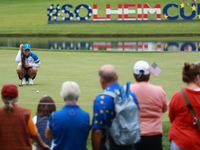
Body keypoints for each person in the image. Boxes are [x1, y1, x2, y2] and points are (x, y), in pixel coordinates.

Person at [91, 64, 139, 150]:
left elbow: (97, 131)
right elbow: (138, 118)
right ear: (117, 77)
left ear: (101, 80)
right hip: (128, 143)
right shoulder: (131, 95)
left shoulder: (100, 100)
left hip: (109, 144)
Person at [129, 60, 168, 150]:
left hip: (133, 133)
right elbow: (164, 109)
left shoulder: (126, 90)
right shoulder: (159, 90)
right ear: (149, 74)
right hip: (154, 135)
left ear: (133, 75)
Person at [0, 83, 50, 150]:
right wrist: (43, 145)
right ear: (17, 97)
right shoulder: (25, 113)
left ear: (2, 98)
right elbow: (34, 134)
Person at [45, 81, 91, 150]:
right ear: (77, 96)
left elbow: (48, 136)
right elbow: (85, 136)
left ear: (63, 97)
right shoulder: (85, 116)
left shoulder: (54, 116)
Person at [168, 61, 200, 150]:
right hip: (196, 142)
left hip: (178, 139)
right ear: (197, 78)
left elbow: (171, 117)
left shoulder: (177, 95)